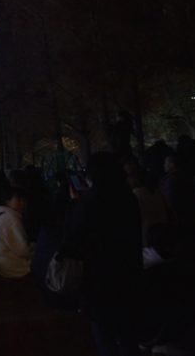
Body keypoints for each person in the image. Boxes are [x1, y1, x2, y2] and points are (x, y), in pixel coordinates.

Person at [59, 151, 143, 356]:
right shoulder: (129, 198)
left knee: (105, 336)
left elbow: (72, 241)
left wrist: (74, 204)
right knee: (128, 336)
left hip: (98, 281)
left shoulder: (88, 204)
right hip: (129, 275)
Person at [0, 185, 34, 279]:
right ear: (7, 201)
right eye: (18, 199)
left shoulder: (0, 214)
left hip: (2, 265)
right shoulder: (10, 218)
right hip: (13, 268)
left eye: (23, 199)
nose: (22, 203)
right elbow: (22, 250)